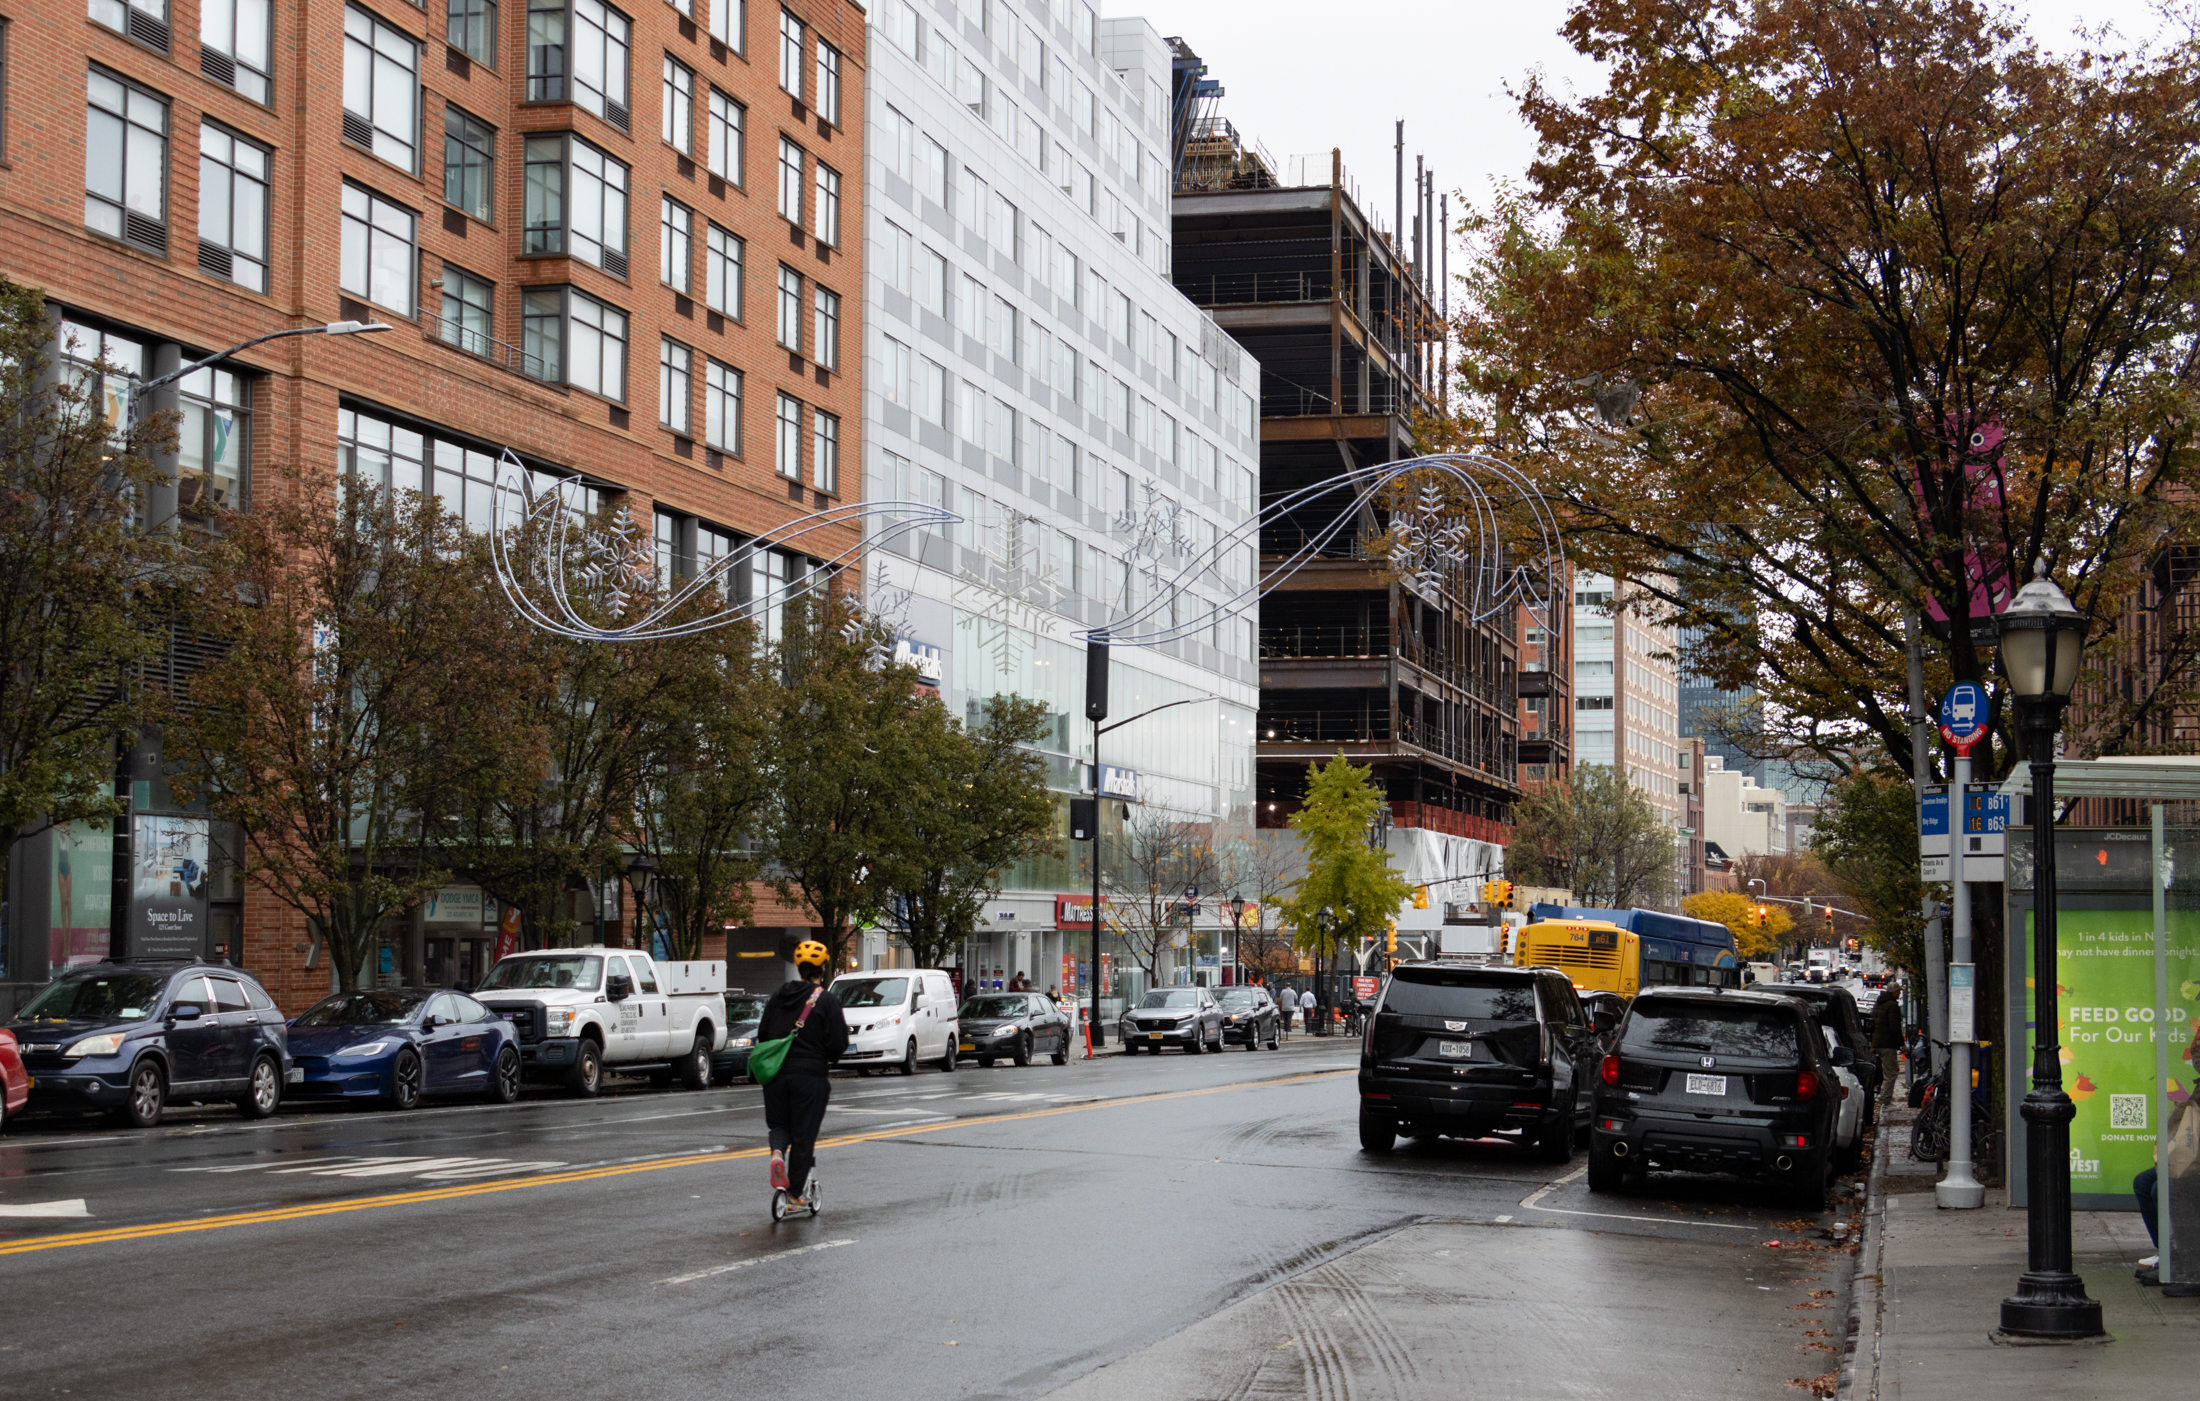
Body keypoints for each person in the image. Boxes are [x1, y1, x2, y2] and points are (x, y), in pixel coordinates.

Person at [758, 940, 849, 1212]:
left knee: (780, 1126)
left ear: (799, 967)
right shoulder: (827, 1000)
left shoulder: (777, 997)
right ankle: (795, 1194)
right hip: (809, 1078)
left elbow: (763, 1035)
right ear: (823, 968)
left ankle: (776, 1154)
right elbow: (838, 1043)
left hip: (776, 1075)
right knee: (803, 1136)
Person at [1870, 977, 1905, 1105]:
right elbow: (1894, 1027)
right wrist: (1902, 1044)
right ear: (1894, 992)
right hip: (1887, 1043)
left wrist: (1873, 1042)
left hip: (1878, 1042)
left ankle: (1883, 1096)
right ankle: (1885, 1099)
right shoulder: (1892, 1006)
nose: (1899, 994)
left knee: (1887, 1071)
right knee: (1892, 1071)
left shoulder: (1879, 1003)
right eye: (1898, 991)